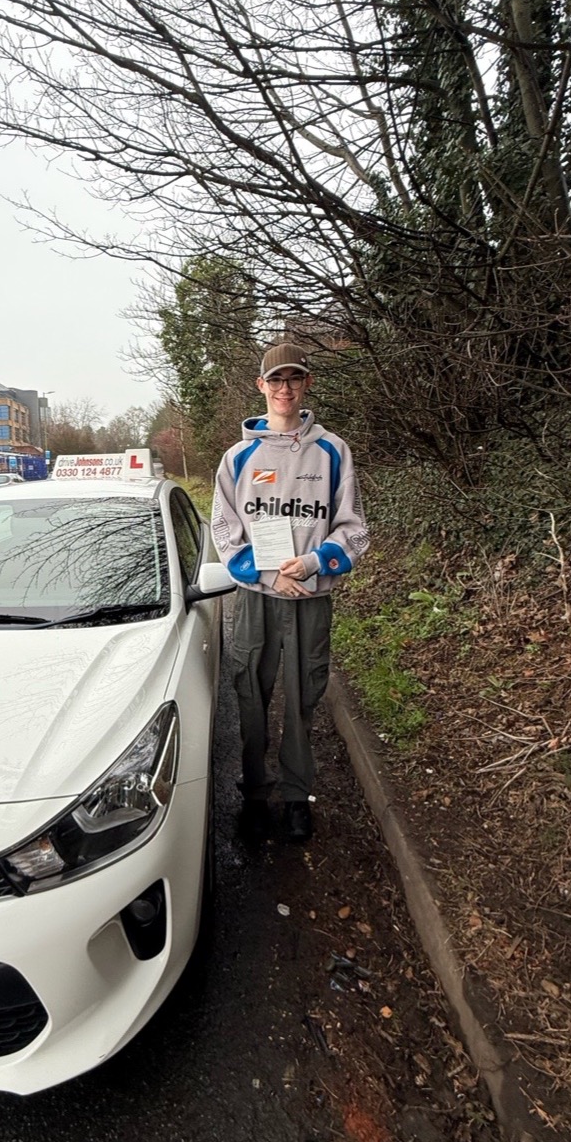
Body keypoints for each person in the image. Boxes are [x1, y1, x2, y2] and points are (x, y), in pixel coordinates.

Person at [211, 342, 369, 842]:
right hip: (258, 598)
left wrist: (314, 562)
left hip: (310, 598)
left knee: (303, 695)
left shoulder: (332, 450)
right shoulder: (237, 458)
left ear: (306, 384)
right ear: (261, 386)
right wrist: (266, 575)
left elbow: (354, 528)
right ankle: (255, 792)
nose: (284, 388)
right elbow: (224, 529)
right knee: (250, 694)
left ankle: (297, 793)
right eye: (275, 380)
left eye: (294, 378)